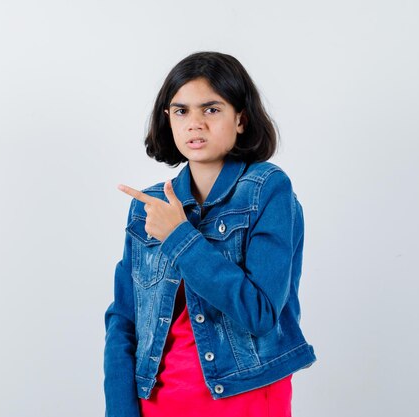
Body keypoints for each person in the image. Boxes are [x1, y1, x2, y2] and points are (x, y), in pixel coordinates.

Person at [103, 51, 317, 417]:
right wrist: (120, 410)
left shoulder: (267, 189)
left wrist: (181, 238)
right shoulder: (149, 204)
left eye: (211, 109)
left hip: (245, 395)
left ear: (241, 119)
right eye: (181, 110)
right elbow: (124, 320)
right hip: (157, 401)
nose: (195, 123)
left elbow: (260, 313)